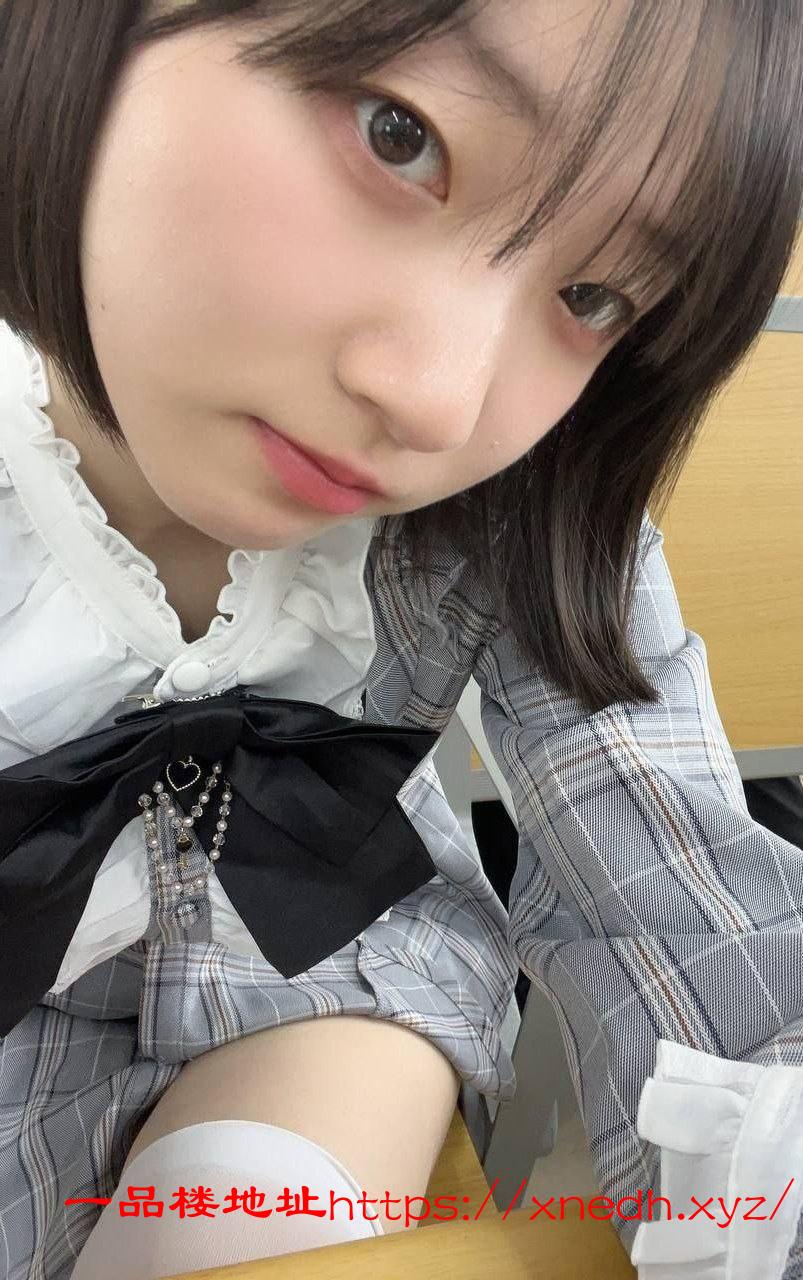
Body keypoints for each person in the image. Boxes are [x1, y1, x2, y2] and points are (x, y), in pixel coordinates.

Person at [0, 1, 801, 1277]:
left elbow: (687, 888)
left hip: (327, 969)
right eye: (398, 133)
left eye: (591, 295)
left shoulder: (514, 520)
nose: (437, 400)